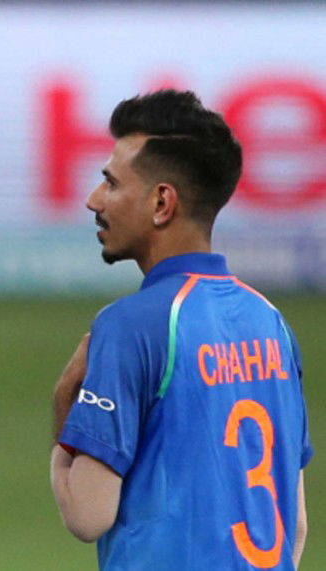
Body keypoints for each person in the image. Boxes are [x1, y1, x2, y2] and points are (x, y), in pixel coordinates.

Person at [50, 90, 312, 570]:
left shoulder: (129, 325)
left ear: (161, 202)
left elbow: (88, 516)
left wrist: (64, 416)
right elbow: (292, 527)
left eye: (110, 182)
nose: (93, 200)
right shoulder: (271, 321)